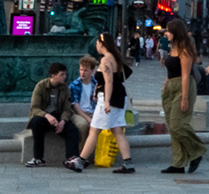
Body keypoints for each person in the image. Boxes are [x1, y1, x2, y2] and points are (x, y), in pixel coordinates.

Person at [82, 31, 135, 174]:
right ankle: (128, 162)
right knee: (117, 131)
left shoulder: (106, 60)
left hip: (109, 98)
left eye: (97, 43)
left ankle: (80, 161)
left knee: (94, 130)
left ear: (102, 44)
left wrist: (106, 101)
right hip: (119, 97)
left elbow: (108, 81)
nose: (96, 46)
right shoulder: (115, 57)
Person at [159, 19, 207, 175]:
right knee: (171, 126)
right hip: (170, 88)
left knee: (177, 124)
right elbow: (170, 70)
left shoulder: (185, 50)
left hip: (183, 87)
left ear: (176, 32)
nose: (166, 33)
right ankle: (178, 163)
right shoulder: (172, 48)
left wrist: (185, 98)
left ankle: (197, 150)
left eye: (168, 31)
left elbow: (186, 76)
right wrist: (166, 84)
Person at [26, 63, 83, 170]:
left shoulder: (65, 88)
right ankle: (38, 158)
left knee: (72, 130)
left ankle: (72, 158)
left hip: (58, 117)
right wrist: (47, 115)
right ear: (53, 75)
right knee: (36, 123)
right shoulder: (41, 86)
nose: (65, 76)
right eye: (62, 74)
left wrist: (63, 121)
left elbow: (67, 109)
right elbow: (34, 108)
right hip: (44, 117)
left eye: (65, 74)